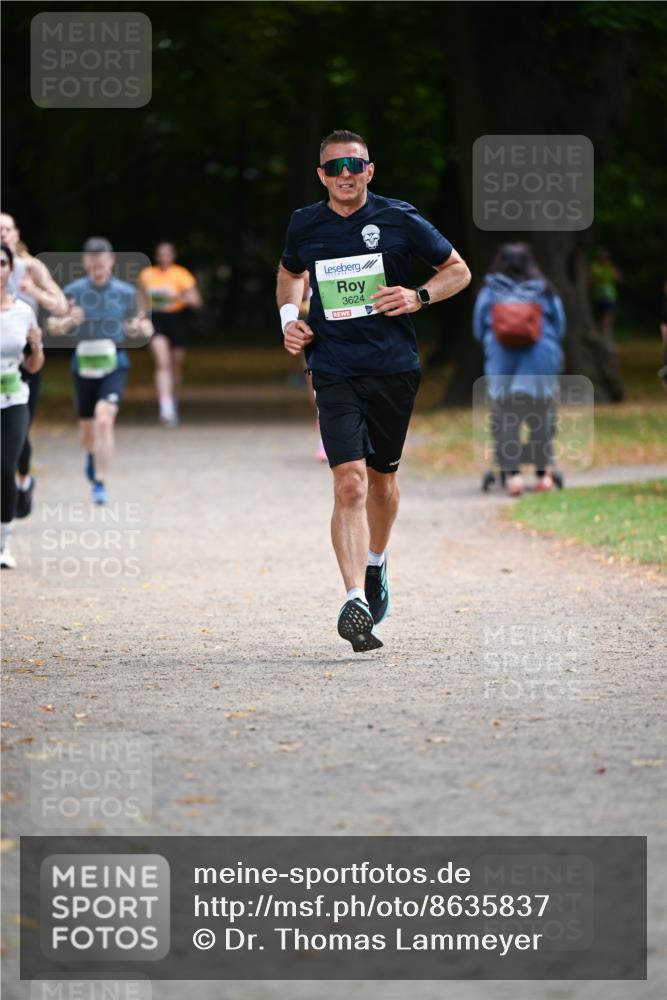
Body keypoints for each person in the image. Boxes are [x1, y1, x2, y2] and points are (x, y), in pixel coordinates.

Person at [277, 129, 470, 652]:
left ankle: (377, 562)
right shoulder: (305, 224)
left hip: (392, 368)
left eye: (353, 166)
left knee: (382, 482)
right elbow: (289, 273)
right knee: (350, 484)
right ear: (321, 176)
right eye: (334, 167)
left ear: (369, 170)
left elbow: (459, 270)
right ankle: (353, 598)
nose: (345, 175)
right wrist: (289, 319)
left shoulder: (399, 218)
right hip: (333, 366)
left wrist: (418, 296)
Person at [47, 237, 151, 504]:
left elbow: (142, 326)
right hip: (83, 364)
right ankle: (93, 455)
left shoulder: (126, 293)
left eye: (102, 265)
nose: (98, 270)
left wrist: (139, 328)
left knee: (104, 419)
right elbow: (52, 326)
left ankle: (100, 482)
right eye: (93, 265)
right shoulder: (73, 290)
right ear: (85, 263)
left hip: (114, 363)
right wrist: (68, 320)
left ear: (112, 261)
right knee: (88, 432)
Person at [473, 243, 566, 496]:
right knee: (542, 418)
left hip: (502, 361)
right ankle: (542, 475)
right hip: (541, 360)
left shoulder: (491, 289)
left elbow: (479, 328)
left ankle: (513, 477)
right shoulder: (543, 288)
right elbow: (559, 326)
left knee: (507, 418)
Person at [0, 212, 67, 517]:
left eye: (7, 229)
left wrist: (34, 290)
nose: (2, 234)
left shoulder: (31, 266)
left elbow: (61, 305)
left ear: (16, 233)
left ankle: (23, 481)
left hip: (27, 355)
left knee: (21, 430)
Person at [1, 243, 45, 568]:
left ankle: (3, 543)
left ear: (9, 269)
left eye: (2, 263)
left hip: (14, 397)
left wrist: (38, 347)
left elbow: (32, 367)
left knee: (5, 468)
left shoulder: (23, 311)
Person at [138, 242, 202, 427]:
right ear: (156, 256)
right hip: (155, 320)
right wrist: (141, 315)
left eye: (167, 253)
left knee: (175, 365)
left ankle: (173, 402)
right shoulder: (147, 275)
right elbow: (140, 299)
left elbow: (196, 300)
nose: (164, 257)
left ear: (173, 256)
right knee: (162, 362)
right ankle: (165, 408)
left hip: (176, 320)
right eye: (160, 254)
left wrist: (176, 297)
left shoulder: (181, 274)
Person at [589, 248, 621, 343]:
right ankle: (602, 336)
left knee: (607, 317)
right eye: (602, 257)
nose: (604, 259)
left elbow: (618, 278)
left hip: (610, 296)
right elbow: (590, 280)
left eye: (605, 257)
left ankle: (606, 336)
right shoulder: (595, 267)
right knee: (600, 317)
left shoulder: (611, 267)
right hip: (598, 296)